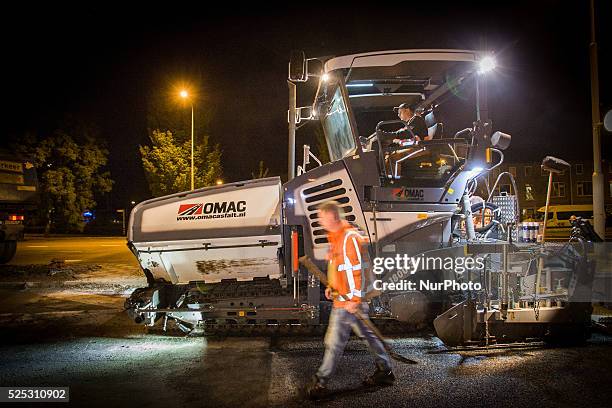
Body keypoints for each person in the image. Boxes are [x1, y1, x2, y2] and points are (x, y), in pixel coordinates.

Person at [306, 201, 394, 400]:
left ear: (332, 217)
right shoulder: (337, 238)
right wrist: (331, 287)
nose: (320, 221)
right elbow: (340, 269)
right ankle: (385, 371)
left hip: (349, 302)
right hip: (345, 299)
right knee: (368, 336)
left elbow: (356, 271)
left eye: (321, 217)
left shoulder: (348, 238)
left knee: (334, 342)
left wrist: (354, 299)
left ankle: (320, 382)